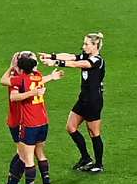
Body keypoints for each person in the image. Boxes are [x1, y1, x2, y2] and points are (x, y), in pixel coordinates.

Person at [40, 32, 106, 172]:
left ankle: (99, 164)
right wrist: (52, 56)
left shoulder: (97, 60)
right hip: (83, 99)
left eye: (87, 44)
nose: (84, 46)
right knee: (71, 127)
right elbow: (71, 56)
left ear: (95, 46)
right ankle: (86, 158)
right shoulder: (87, 55)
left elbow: (77, 64)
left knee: (94, 132)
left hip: (93, 101)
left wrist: (56, 63)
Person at [0, 52, 62, 184]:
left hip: (27, 121)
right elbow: (12, 93)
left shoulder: (24, 77)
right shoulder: (17, 78)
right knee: (23, 155)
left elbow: (36, 81)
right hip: (19, 121)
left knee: (22, 154)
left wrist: (51, 78)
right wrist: (33, 91)